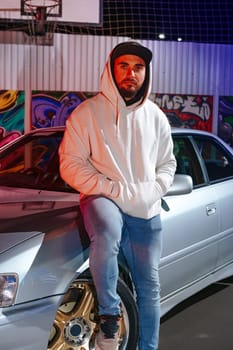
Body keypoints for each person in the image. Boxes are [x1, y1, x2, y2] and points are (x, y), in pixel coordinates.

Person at [59, 41, 177, 350]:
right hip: (105, 197)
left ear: (146, 73)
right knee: (107, 231)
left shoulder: (156, 117)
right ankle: (110, 319)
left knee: (149, 286)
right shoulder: (87, 113)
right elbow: (70, 164)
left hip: (145, 207)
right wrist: (110, 188)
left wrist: (157, 188)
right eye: (123, 65)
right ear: (111, 69)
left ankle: (147, 347)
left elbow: (168, 162)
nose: (131, 73)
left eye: (138, 67)